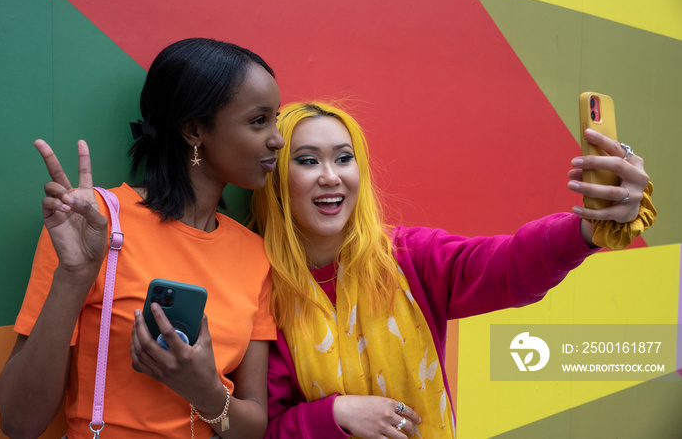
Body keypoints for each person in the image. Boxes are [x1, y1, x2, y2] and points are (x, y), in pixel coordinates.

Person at [251, 102, 653, 438]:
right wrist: (336, 414)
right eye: (307, 161)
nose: (331, 176)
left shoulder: (408, 258)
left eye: (344, 158)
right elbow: (254, 429)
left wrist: (588, 227)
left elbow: (509, 265)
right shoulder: (254, 284)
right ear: (277, 179)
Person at [0, 38, 284, 438]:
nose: (278, 139)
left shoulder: (255, 254)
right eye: (259, 121)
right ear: (194, 130)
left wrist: (205, 391)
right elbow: (18, 423)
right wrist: (74, 274)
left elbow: (251, 430)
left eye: (277, 118)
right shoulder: (94, 221)